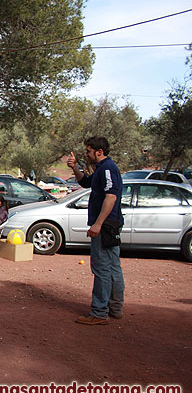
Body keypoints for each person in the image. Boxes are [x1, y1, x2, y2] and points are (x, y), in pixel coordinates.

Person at [67, 136, 124, 326]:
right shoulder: (102, 169)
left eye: (89, 151)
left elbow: (111, 197)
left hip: (106, 225)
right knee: (113, 266)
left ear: (99, 152)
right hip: (111, 224)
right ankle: (115, 308)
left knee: (101, 268)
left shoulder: (108, 169)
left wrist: (98, 224)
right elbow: (85, 183)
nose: (87, 154)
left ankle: (99, 312)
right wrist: (74, 167)